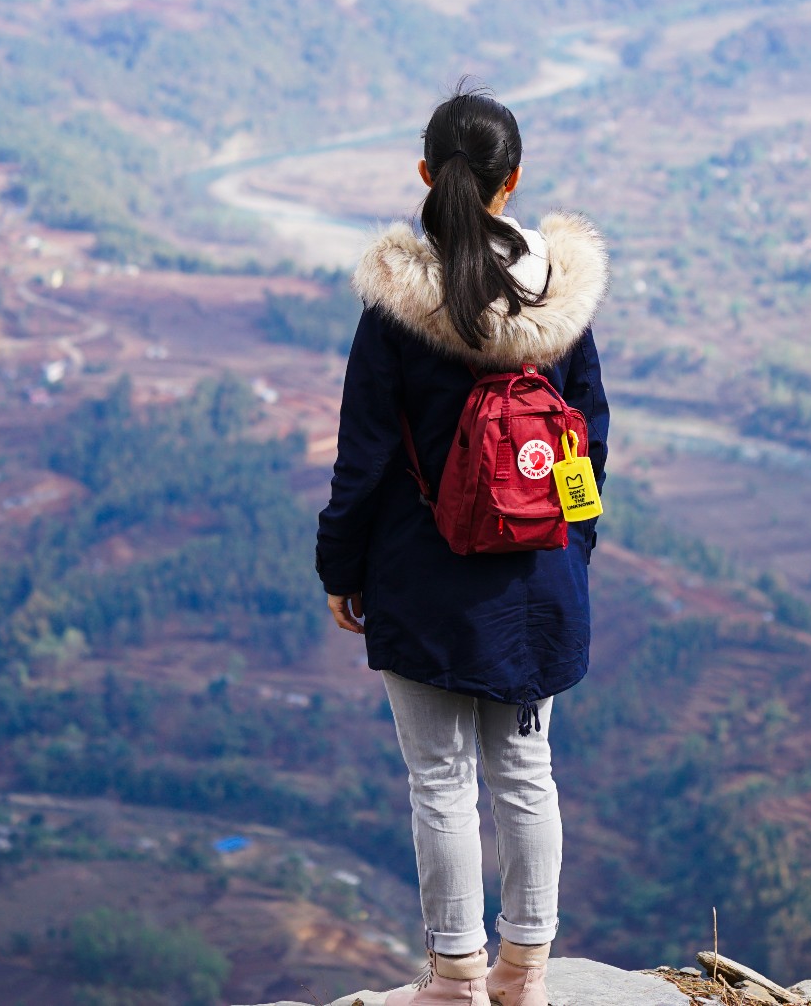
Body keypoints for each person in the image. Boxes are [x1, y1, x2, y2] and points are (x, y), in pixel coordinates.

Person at [316, 84, 610, 1006]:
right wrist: (573, 546)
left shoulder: (397, 307)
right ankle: (526, 976)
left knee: (439, 781)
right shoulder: (559, 298)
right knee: (527, 771)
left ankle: (455, 979)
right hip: (534, 578)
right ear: (511, 181)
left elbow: (362, 457)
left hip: (423, 575)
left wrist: (342, 568)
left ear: (424, 172)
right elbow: (587, 437)